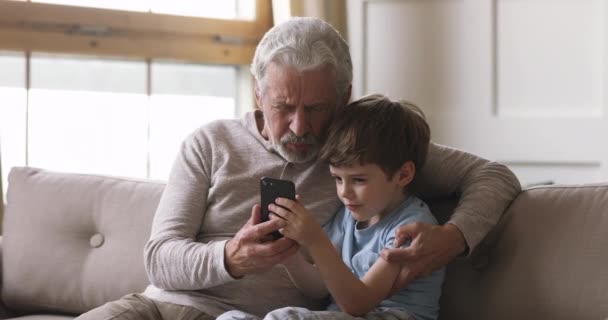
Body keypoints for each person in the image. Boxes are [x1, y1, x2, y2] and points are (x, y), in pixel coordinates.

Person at [76, 17, 520, 320]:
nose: (300, 126)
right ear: (257, 95)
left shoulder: (361, 152)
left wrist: (452, 238)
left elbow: (494, 176)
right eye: (283, 107)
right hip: (156, 308)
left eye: (316, 108)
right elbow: (159, 259)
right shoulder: (209, 143)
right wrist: (229, 258)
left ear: (344, 98)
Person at [220, 94, 443, 320]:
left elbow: (359, 303)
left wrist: (316, 240)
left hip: (393, 316)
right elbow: (318, 288)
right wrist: (287, 250)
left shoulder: (413, 229)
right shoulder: (348, 217)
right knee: (228, 318)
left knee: (285, 318)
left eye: (359, 180)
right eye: (337, 179)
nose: (344, 192)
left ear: (403, 174)